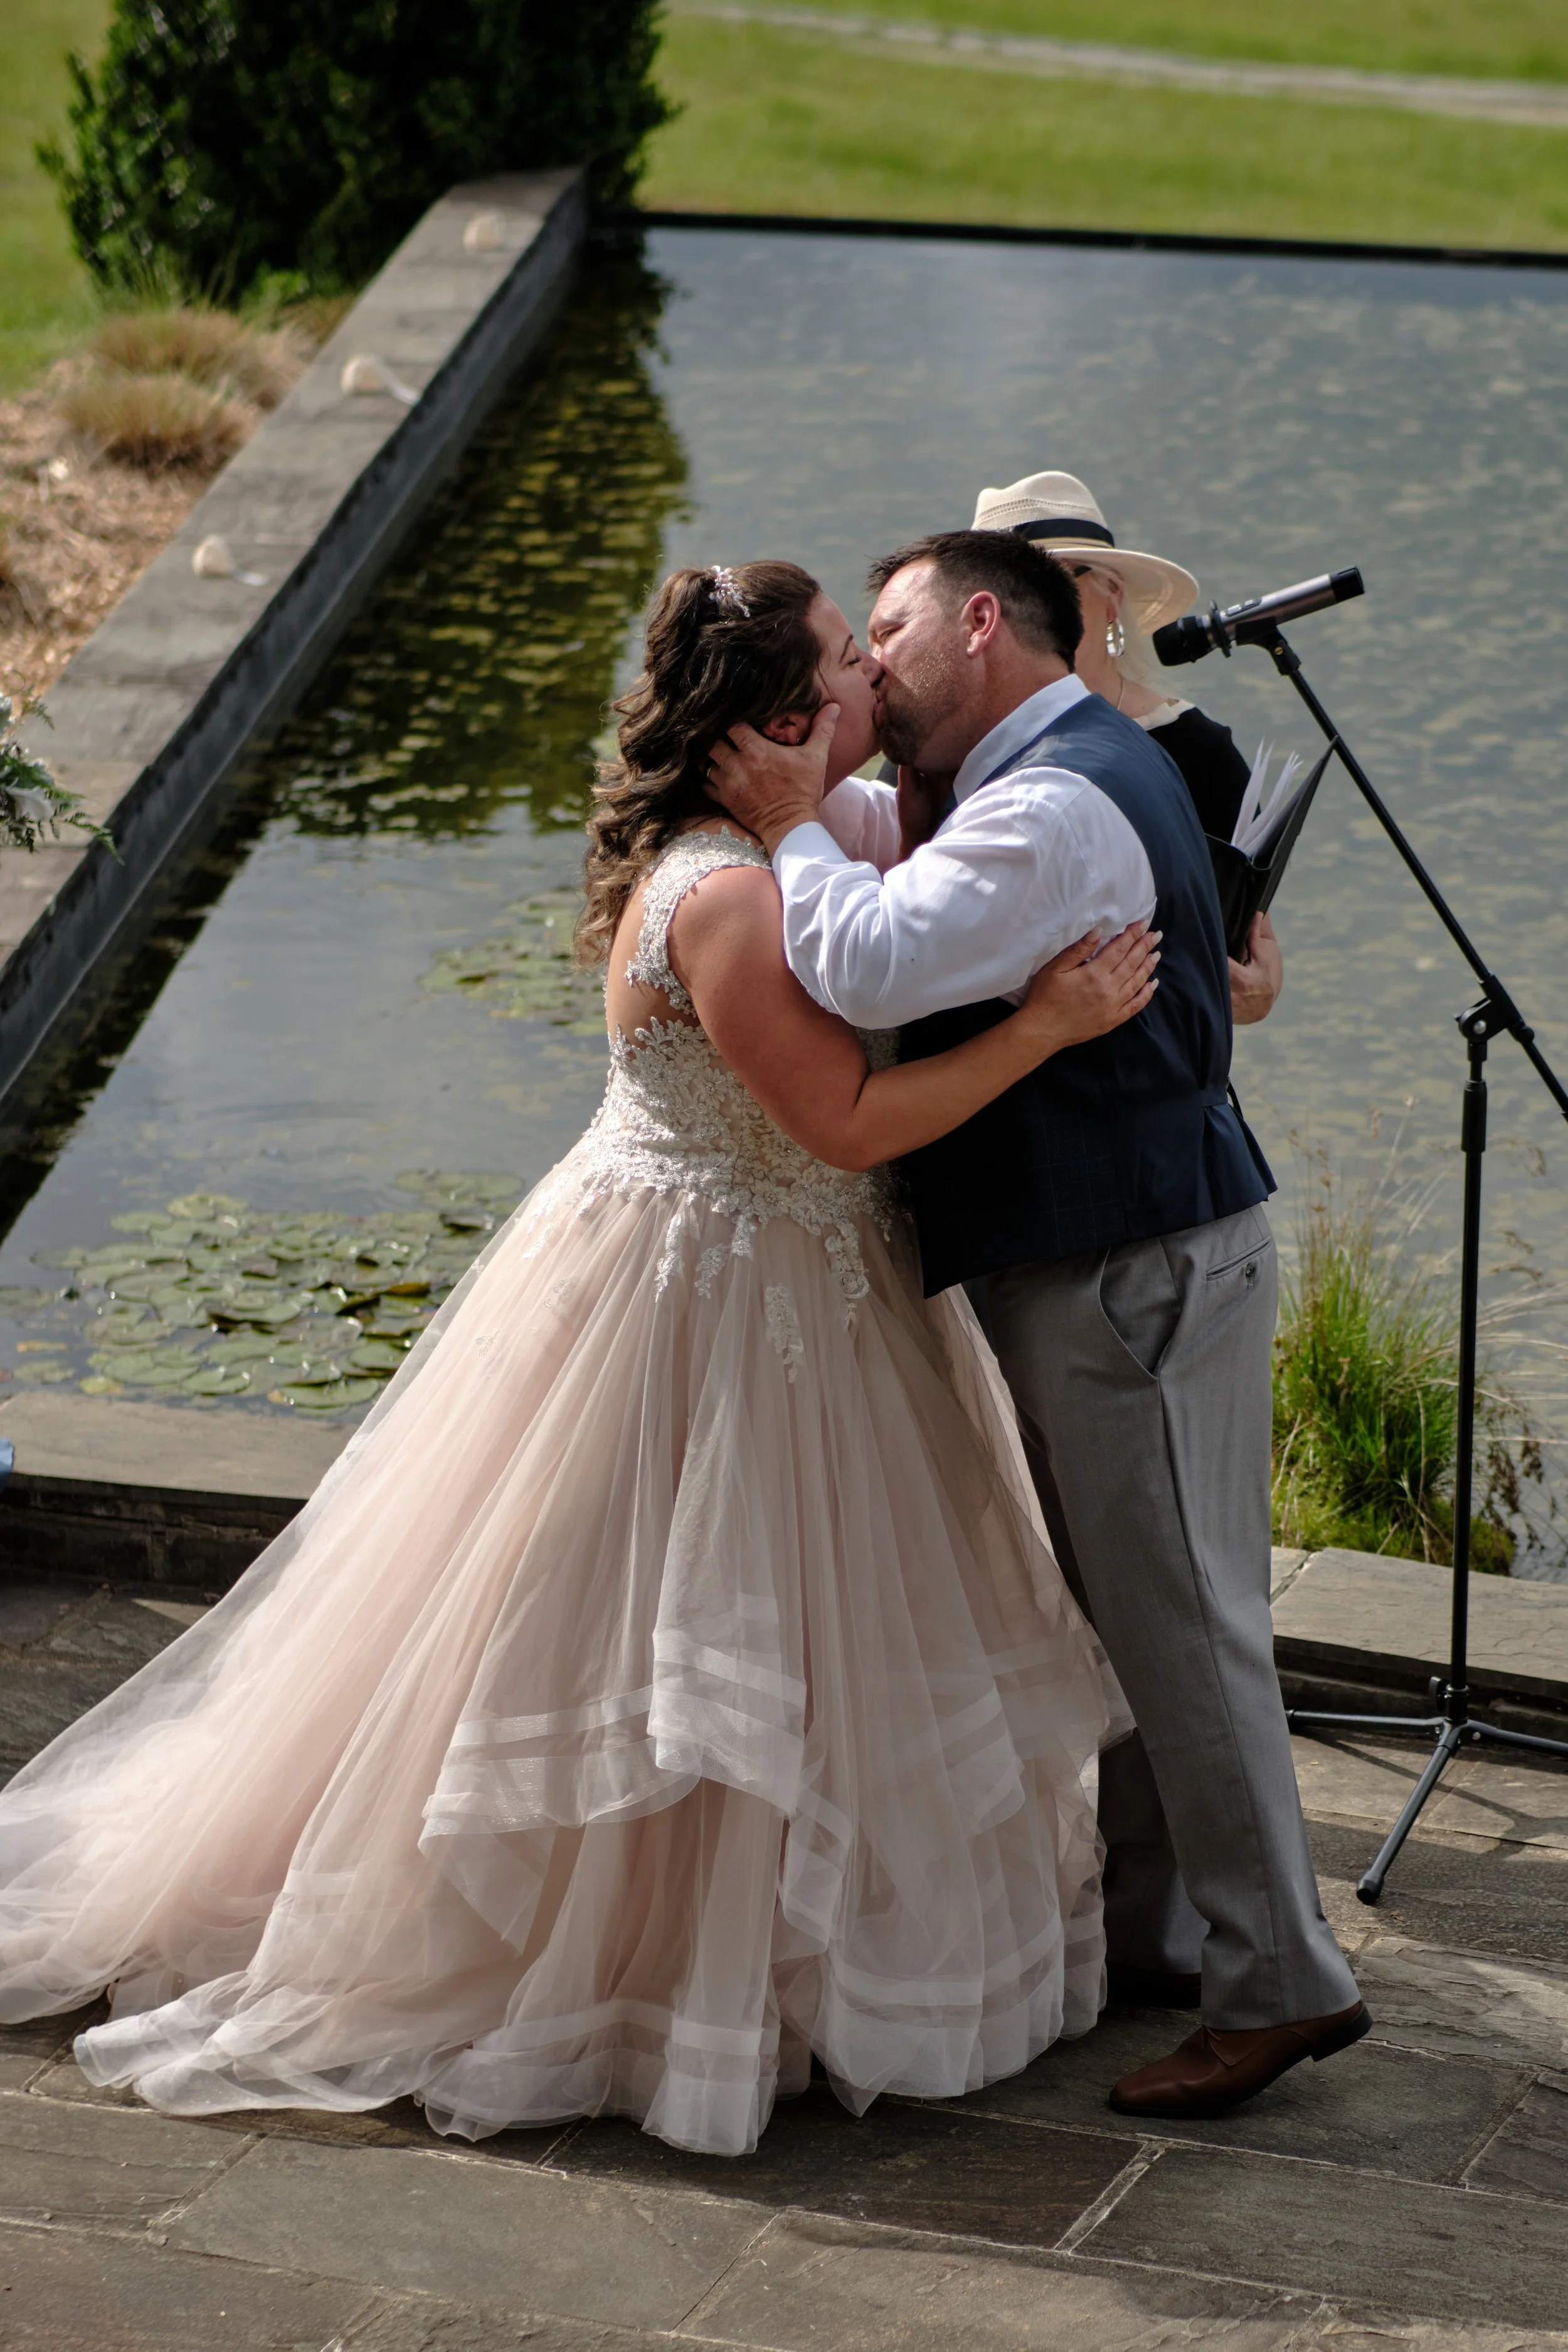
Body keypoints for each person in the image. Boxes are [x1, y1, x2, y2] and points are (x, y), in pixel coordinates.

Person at [0, 559, 1158, 2158]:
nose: (866, 688)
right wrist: (1042, 1025)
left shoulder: (740, 853)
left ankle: (715, 1961)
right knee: (665, 1630)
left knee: (693, 1631)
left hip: (745, 1264)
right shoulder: (735, 894)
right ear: (771, 720)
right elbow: (839, 1122)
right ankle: (644, 1979)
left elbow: (920, 889)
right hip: (723, 1292)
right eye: (839, 665)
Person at [707, 531, 1368, 2121]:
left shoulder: (1051, 802)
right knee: (1139, 1615)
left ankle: (1280, 1979)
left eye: (889, 631)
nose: (868, 664)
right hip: (1136, 1250)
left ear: (979, 624)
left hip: (1131, 1266)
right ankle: (1167, 1931)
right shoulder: (1052, 769)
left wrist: (791, 826)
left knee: (1181, 1627)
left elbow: (860, 948)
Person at [970, 472, 1283, 1029]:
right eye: (1004, 593)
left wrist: (1261, 990)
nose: (1030, 611)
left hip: (1150, 1077)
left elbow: (1249, 941)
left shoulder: (1200, 751)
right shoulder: (948, 737)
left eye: (1054, 583)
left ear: (1112, 598)